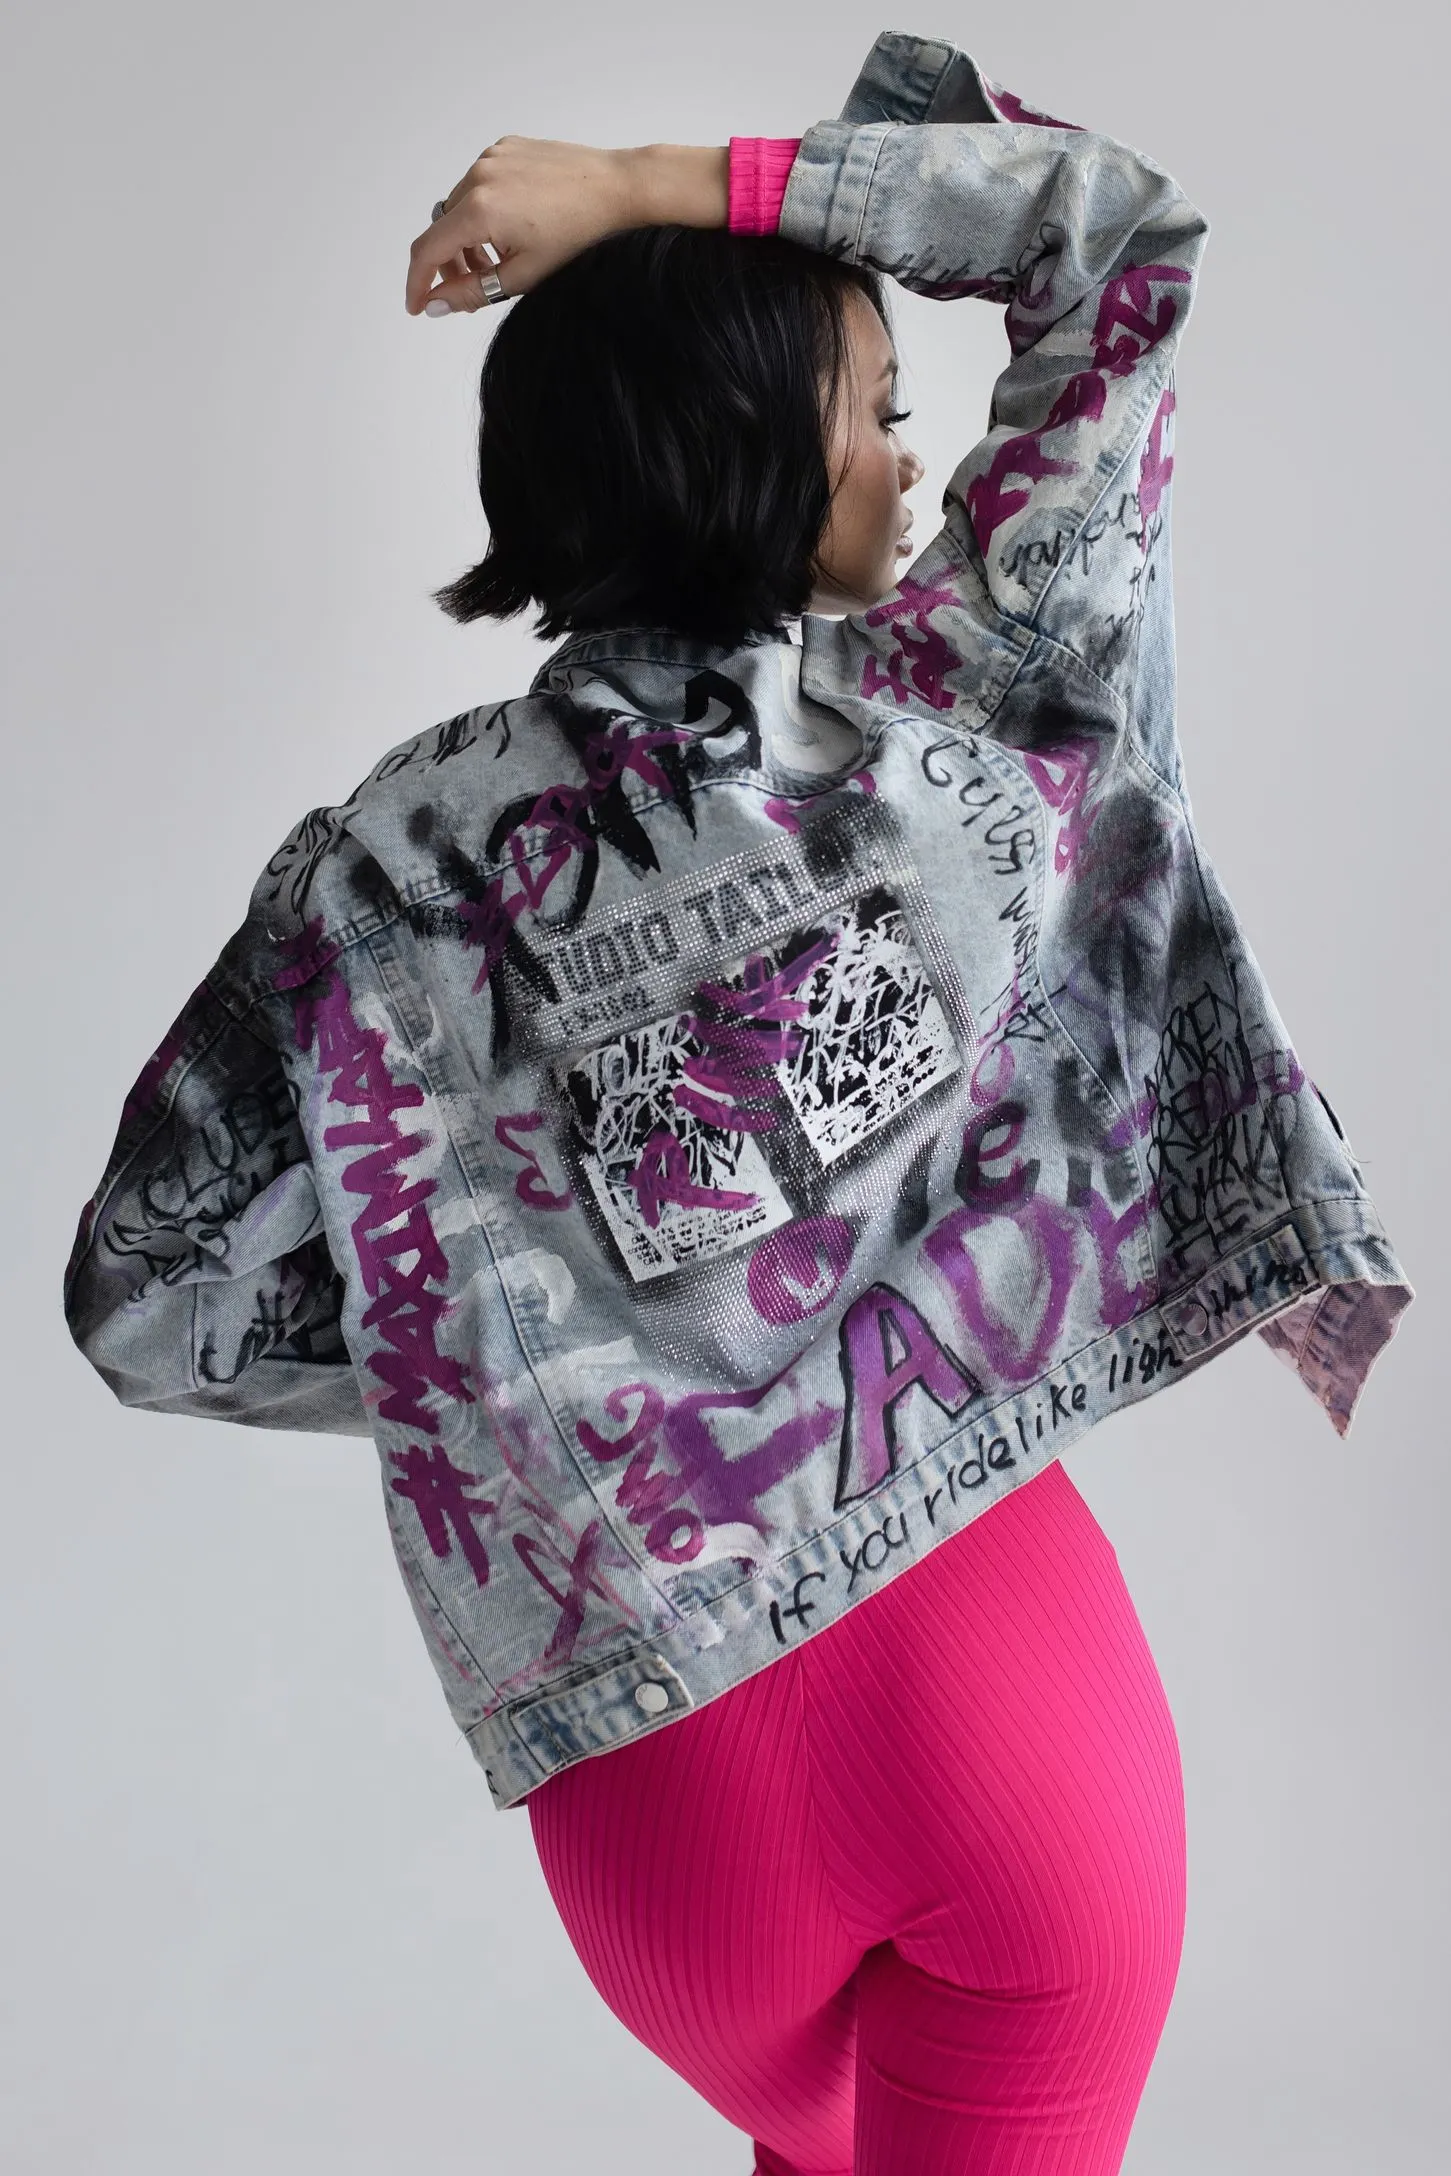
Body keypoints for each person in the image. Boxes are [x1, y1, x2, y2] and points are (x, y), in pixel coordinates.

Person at [63, 29, 1411, 2176]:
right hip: (995, 1709)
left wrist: (515, 1359)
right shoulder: (963, 689)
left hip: (652, 1804)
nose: (908, 463)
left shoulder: (381, 874)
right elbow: (1112, 235)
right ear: (751, 440)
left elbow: (147, 1304)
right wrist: (646, 181)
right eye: (874, 410)